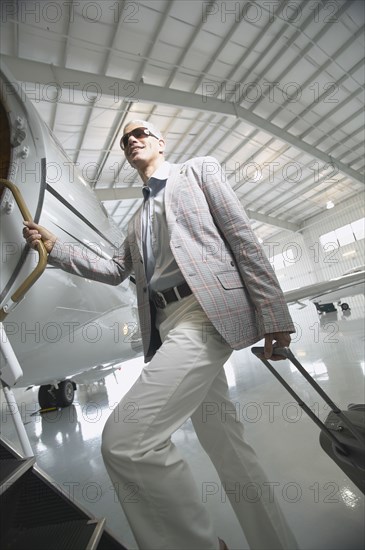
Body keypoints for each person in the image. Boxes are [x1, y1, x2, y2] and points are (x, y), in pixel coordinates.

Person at [23, 120, 298, 550]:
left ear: (161, 142)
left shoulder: (198, 172)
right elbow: (115, 270)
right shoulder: (136, 221)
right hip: (167, 324)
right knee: (228, 448)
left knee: (125, 442)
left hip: (204, 313)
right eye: (125, 139)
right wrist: (55, 247)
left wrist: (274, 312)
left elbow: (242, 239)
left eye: (141, 133)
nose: (133, 140)